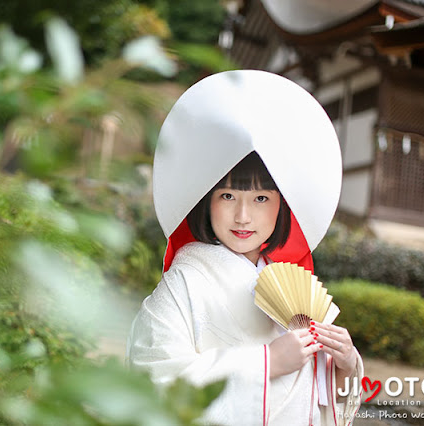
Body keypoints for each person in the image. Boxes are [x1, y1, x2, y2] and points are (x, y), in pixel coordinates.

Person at [127, 70, 364, 425]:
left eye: (260, 197)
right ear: (206, 202)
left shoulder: (289, 286)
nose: (242, 215)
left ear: (282, 206)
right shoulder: (183, 285)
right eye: (227, 195)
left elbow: (318, 398)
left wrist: (344, 366)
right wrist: (265, 363)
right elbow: (153, 380)